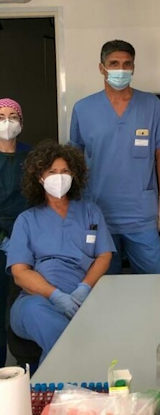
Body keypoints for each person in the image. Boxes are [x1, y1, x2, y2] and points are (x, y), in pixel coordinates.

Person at [70, 39, 160, 274]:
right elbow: (74, 159)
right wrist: (75, 204)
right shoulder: (83, 108)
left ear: (133, 67)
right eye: (114, 63)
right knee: (103, 284)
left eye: (127, 64)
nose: (121, 69)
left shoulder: (151, 105)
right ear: (102, 68)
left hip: (141, 212)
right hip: (98, 212)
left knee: (154, 281)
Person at [7, 142, 115, 361]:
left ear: (74, 175)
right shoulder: (27, 220)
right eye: (52, 172)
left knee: (72, 336)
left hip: (82, 299)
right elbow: (19, 273)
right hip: (36, 300)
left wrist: (84, 288)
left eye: (65, 171)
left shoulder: (90, 212)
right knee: (47, 320)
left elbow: (104, 255)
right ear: (40, 177)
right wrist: (55, 296)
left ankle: (52, 380)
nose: (59, 177)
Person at [0, 98, 30, 367]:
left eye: (13, 116)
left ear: (21, 122)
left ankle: (26, 368)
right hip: (2, 240)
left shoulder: (30, 156)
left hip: (27, 235)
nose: (7, 122)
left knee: (23, 303)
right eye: (1, 117)